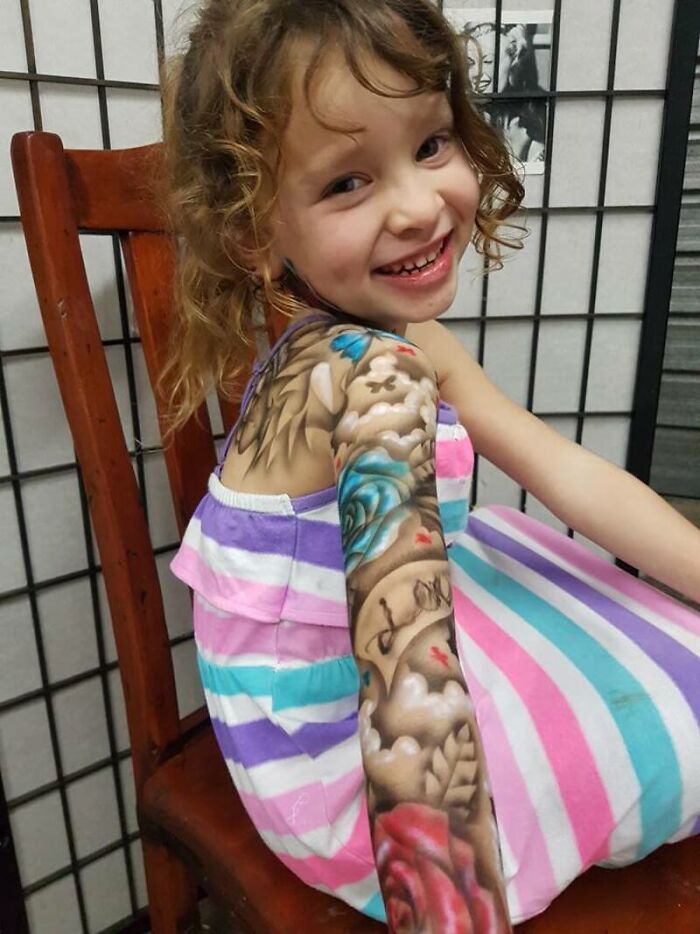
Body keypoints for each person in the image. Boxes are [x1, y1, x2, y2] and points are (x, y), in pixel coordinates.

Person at [158, 1, 700, 930]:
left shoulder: (394, 344)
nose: (416, 206)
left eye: (433, 144)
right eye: (346, 184)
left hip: (352, 660)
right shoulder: (373, 380)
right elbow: (409, 680)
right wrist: (449, 911)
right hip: (343, 768)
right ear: (255, 230)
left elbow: (563, 468)